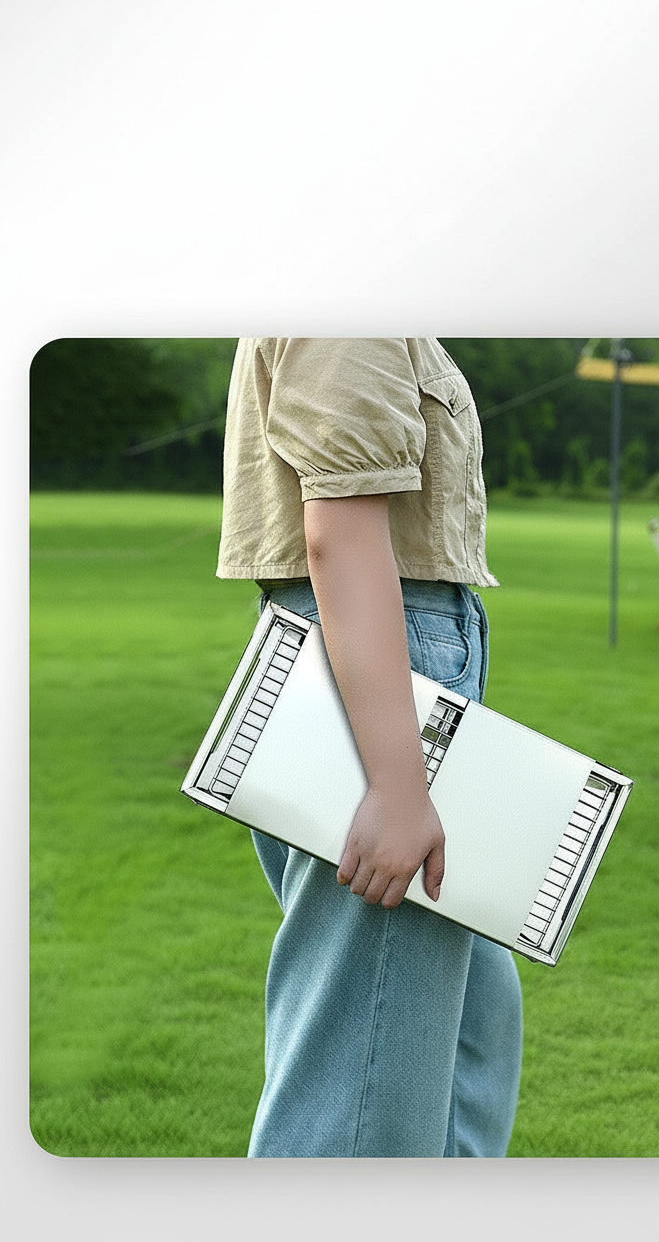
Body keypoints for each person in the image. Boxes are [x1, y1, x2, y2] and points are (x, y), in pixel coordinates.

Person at [216, 337, 523, 1158]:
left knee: (467, 1038)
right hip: (379, 674)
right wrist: (396, 784)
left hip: (384, 657)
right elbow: (342, 534)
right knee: (358, 1098)